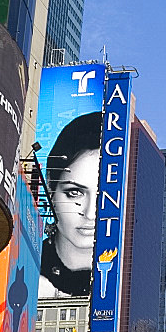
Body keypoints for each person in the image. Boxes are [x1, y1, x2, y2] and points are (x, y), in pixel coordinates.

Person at [39, 113, 102, 297]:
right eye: (75, 192)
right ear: (50, 187)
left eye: (102, 197)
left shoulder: (123, 283)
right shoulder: (25, 263)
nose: (90, 213)